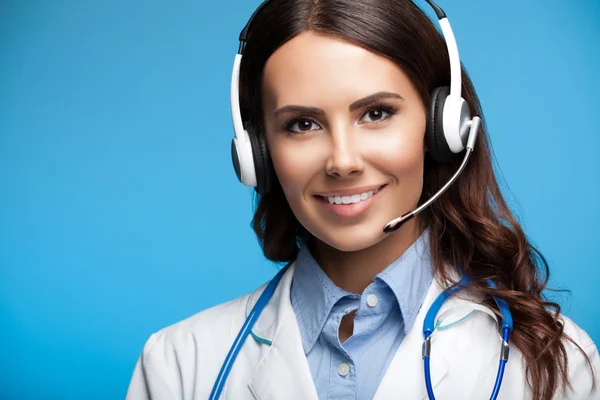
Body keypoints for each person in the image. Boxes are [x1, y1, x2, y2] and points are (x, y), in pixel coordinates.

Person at [125, 0, 599, 399]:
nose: (343, 161)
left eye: (376, 113)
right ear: (258, 154)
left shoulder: (556, 363)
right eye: (302, 124)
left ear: (442, 129)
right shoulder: (178, 364)